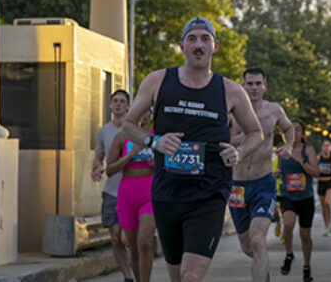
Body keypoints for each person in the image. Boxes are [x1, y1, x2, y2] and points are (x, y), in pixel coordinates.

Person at [122, 16, 263, 282]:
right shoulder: (158, 81)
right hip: (167, 194)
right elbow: (129, 124)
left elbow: (256, 133)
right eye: (192, 39)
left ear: (215, 46)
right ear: (181, 46)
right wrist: (155, 141)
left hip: (209, 193)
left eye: (205, 39)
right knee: (177, 277)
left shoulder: (230, 90)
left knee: (192, 276)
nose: (199, 44)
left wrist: (239, 152)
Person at [227, 67, 295, 282]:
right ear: (242, 85)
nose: (254, 88)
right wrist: (247, 136)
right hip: (236, 185)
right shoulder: (230, 112)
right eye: (250, 83)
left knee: (257, 240)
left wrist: (289, 146)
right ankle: (263, 272)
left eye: (258, 84)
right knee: (248, 247)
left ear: (265, 86)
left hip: (263, 183)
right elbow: (223, 141)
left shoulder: (273, 111)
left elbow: (288, 129)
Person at [90, 89, 134, 282]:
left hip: (132, 189)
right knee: (116, 239)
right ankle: (127, 277)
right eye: (115, 101)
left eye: (122, 101)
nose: (118, 104)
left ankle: (138, 269)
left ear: (128, 106)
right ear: (110, 105)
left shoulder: (134, 131)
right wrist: (96, 168)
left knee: (126, 238)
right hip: (111, 191)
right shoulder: (103, 131)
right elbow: (98, 157)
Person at [106, 109, 155, 282]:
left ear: (151, 114)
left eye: (147, 111)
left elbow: (172, 167)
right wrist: (130, 155)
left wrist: (158, 164)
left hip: (149, 194)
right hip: (127, 195)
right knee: (134, 248)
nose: (143, 116)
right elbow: (110, 170)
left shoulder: (157, 138)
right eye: (139, 112)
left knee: (145, 243)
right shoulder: (121, 137)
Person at [275, 120, 320, 282]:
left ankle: (307, 266)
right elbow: (278, 170)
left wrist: (301, 162)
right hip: (287, 196)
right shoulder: (281, 151)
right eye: (291, 130)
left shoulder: (308, 150)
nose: (295, 133)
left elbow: (316, 173)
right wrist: (277, 173)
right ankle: (289, 254)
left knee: (305, 235)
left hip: (305, 197)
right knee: (288, 224)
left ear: (303, 133)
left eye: (298, 130)